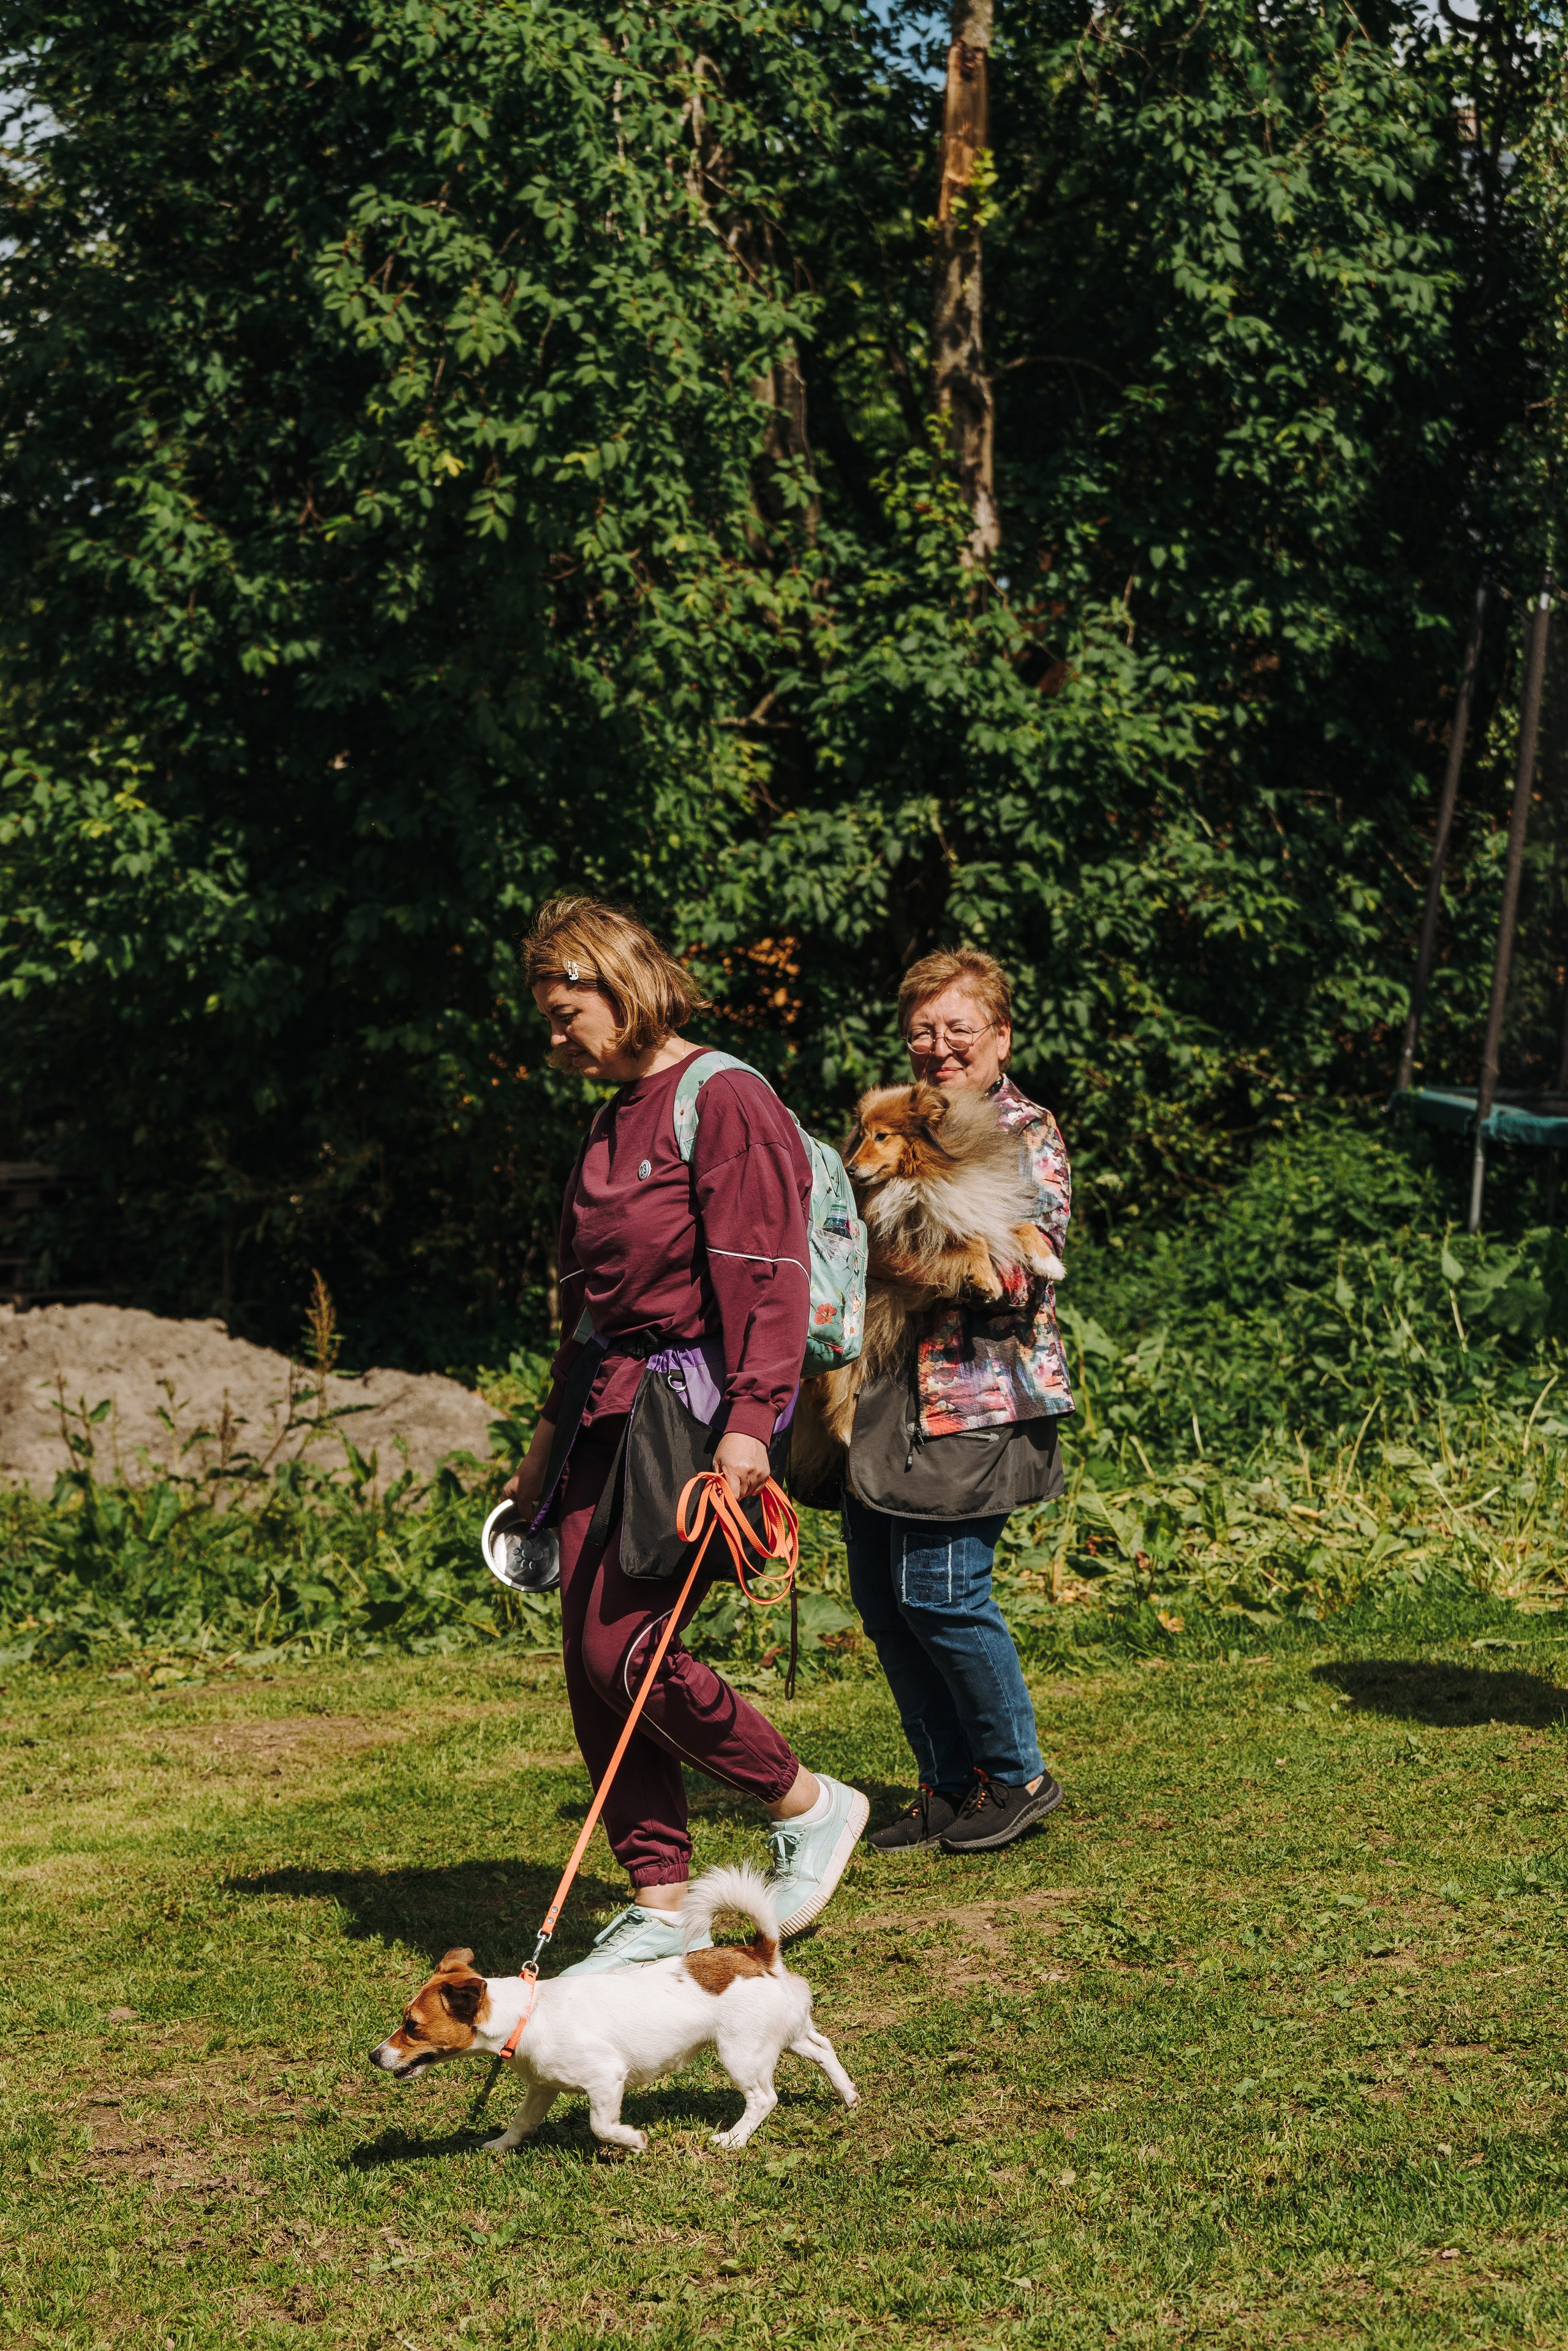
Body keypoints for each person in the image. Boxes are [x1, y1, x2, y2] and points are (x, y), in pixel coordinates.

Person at [502, 896, 868, 1972]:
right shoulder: (611, 1115)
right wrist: (539, 1453)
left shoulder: (725, 1098)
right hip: (601, 1416)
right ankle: (660, 1899)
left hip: (694, 1414)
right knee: (587, 1657)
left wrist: (752, 1426)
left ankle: (807, 1801)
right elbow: (589, 1302)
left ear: (624, 985)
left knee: (632, 1649)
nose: (554, 1035)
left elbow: (766, 1276)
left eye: (568, 1011)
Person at [843, 946, 1074, 1855]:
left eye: (958, 1029)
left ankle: (1016, 1772)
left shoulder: (1028, 1130)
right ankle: (948, 1782)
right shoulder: (887, 1123)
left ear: (1001, 1035)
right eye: (922, 1032)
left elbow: (1017, 1276)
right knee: (883, 1598)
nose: (938, 1047)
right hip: (886, 1391)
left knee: (939, 1592)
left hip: (976, 1397)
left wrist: (897, 1258)